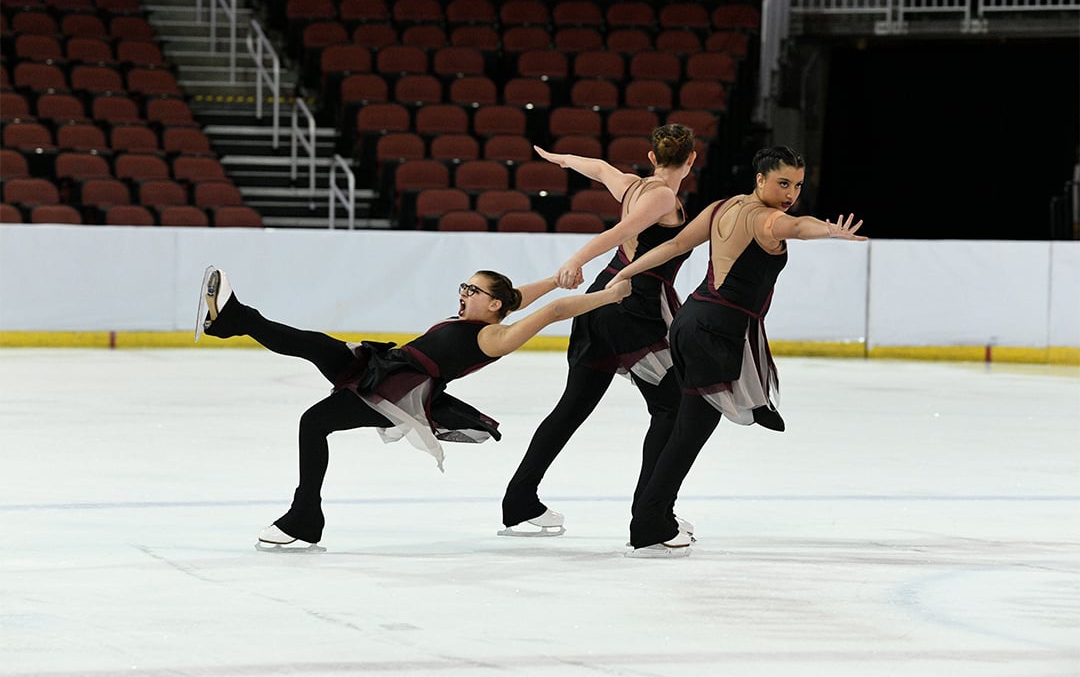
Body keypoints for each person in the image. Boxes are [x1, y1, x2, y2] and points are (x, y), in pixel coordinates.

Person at [195, 265, 631, 550]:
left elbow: (553, 312)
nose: (462, 293)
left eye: (472, 290)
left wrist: (609, 296)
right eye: (463, 286)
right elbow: (521, 296)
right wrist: (557, 277)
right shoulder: (481, 316)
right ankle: (231, 318)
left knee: (313, 423)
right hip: (385, 364)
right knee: (313, 344)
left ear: (492, 305)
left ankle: (303, 519)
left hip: (398, 391)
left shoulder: (494, 337)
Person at [606, 146, 868, 557]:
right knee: (688, 435)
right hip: (716, 332)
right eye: (782, 183)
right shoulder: (768, 218)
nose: (790, 193)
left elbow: (674, 246)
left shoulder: (720, 207)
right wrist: (827, 231)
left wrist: (626, 268)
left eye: (797, 185)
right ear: (760, 179)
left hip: (693, 320)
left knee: (681, 427)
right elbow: (797, 227)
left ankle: (654, 512)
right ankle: (649, 526)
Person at [499, 124, 697, 537]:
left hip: (598, 305)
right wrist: (573, 260)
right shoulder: (661, 196)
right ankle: (653, 516)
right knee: (672, 408)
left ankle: (520, 502)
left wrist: (564, 160)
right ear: (692, 160)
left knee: (572, 407)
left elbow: (601, 168)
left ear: (651, 157)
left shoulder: (632, 186)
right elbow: (618, 233)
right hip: (632, 310)